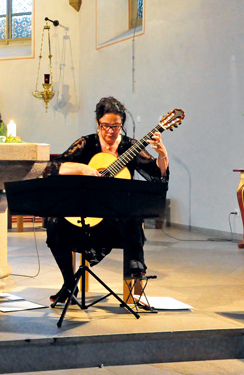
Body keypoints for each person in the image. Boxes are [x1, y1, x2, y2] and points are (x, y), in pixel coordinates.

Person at [41, 96, 169, 304]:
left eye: (116, 126)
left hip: (114, 221)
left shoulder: (131, 147)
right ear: (98, 123)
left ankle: (136, 270)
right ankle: (69, 283)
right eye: (105, 126)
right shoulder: (86, 144)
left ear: (122, 125)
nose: (110, 131)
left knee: (134, 215)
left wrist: (162, 155)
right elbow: (53, 168)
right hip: (86, 214)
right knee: (54, 222)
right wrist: (83, 168)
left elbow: (157, 176)